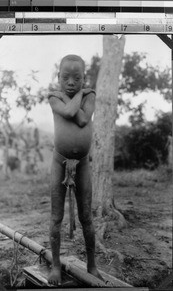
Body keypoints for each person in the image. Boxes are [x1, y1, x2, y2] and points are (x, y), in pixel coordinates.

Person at [47, 54, 103, 285]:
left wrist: (81, 94)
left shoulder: (90, 95)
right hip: (59, 162)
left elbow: (83, 119)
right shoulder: (53, 96)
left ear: (84, 78)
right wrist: (81, 94)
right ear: (58, 77)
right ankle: (56, 266)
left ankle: (92, 264)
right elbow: (71, 114)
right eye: (66, 77)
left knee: (86, 217)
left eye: (77, 78)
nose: (71, 82)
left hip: (82, 165)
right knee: (56, 217)